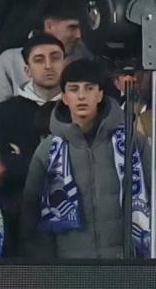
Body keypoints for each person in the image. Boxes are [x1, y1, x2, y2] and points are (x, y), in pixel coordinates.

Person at [22, 59, 151, 260]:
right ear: (64, 97)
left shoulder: (132, 144)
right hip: (70, 273)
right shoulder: (47, 150)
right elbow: (32, 218)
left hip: (128, 269)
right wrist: (46, 272)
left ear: (100, 94)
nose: (81, 96)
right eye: (73, 89)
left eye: (89, 88)